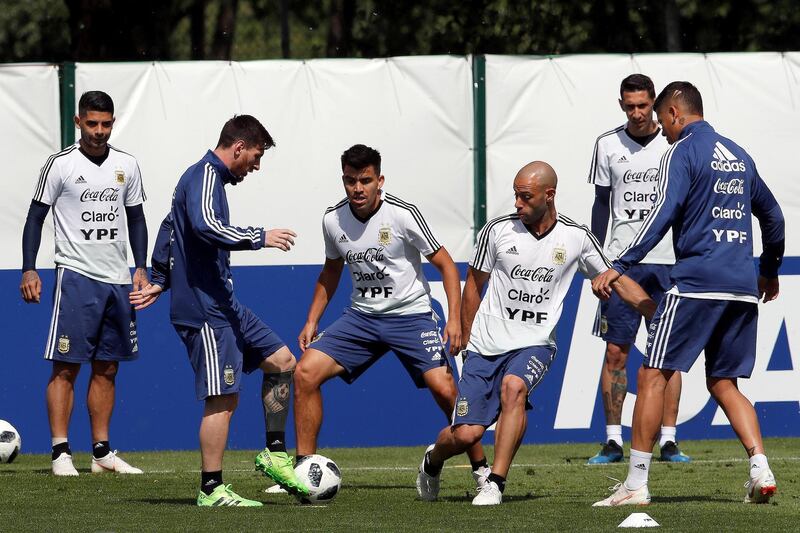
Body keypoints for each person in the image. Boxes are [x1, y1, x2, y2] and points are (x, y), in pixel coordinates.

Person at [417, 161, 657, 506]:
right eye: (515, 195)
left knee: (514, 388)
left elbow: (614, 278)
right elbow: (474, 285)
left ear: (549, 195)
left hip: (535, 342)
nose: (517, 203)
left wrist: (652, 311)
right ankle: (432, 459)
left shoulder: (576, 237)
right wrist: (466, 336)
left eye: (525, 197)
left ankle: (495, 483)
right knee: (466, 433)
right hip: (486, 344)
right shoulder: (497, 231)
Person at [592, 81, 784, 507]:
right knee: (723, 382)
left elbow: (663, 213)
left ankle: (636, 483)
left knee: (651, 374)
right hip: (740, 286)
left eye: (663, 121)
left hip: (696, 284)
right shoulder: (739, 154)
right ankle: (760, 467)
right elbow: (773, 216)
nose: (662, 131)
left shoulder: (683, 151)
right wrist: (768, 271)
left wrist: (619, 264)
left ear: (676, 113)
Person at [129, 115, 309, 507]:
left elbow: (170, 226)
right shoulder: (205, 177)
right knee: (222, 398)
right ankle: (211, 489)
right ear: (239, 147)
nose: (257, 166)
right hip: (205, 310)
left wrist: (159, 275)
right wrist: (260, 237)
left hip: (226, 304)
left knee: (281, 361)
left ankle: (275, 454)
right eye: (257, 156)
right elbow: (205, 226)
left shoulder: (201, 179)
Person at [293, 144, 490, 490]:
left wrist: (455, 319)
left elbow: (445, 265)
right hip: (362, 318)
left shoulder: (403, 215)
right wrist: (312, 320)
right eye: (351, 181)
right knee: (305, 373)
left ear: (379, 180)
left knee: (446, 390)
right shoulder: (332, 219)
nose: (358, 189)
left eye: (365, 180)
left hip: (411, 316)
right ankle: (303, 472)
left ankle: (481, 470)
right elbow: (330, 272)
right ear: (343, 180)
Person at [20, 91, 147, 476]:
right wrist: (29, 268)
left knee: (108, 368)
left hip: (118, 280)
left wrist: (139, 267)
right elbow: (35, 218)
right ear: (78, 123)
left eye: (106, 124)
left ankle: (102, 453)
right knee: (66, 366)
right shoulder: (60, 164)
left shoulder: (127, 164)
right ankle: (61, 452)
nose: (99, 131)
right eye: (91, 123)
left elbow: (137, 219)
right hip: (76, 276)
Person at [587, 74, 689, 464]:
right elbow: (600, 204)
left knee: (670, 352)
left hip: (669, 261)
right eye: (630, 106)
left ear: (654, 104)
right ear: (621, 105)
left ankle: (668, 439)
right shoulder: (607, 144)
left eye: (643, 105)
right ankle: (613, 440)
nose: (637, 113)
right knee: (616, 351)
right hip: (622, 264)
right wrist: (599, 259)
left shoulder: (675, 145)